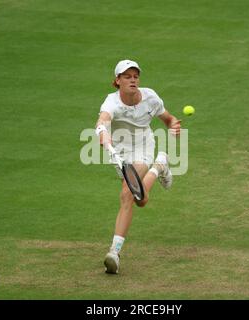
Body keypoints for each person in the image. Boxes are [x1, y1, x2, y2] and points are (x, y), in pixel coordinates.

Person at [95, 59, 181, 274]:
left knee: (126, 195)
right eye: (127, 76)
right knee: (141, 200)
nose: (133, 80)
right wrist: (104, 136)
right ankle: (160, 165)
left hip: (143, 148)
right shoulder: (111, 102)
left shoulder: (150, 97)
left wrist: (174, 125)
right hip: (121, 153)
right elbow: (102, 122)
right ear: (117, 81)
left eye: (135, 76)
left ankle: (114, 253)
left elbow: (169, 119)